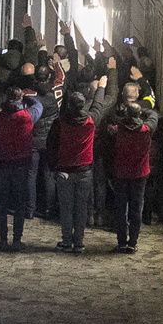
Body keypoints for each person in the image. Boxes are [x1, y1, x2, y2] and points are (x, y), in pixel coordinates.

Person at [46, 80, 104, 254]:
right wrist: (101, 87)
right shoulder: (90, 121)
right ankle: (78, 242)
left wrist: (53, 168)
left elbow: (51, 146)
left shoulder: (60, 123)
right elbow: (99, 105)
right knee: (81, 208)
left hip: (64, 170)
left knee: (66, 208)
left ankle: (66, 241)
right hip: (84, 170)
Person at [0, 86, 42, 252]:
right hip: (21, 166)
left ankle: (3, 239)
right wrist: (26, 97)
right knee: (20, 205)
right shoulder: (28, 116)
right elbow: (39, 104)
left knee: (1, 205)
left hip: (1, 165)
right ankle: (17, 239)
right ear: (20, 98)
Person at [105, 99, 155, 254]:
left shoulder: (117, 130)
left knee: (120, 209)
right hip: (140, 174)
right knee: (136, 208)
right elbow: (154, 115)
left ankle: (121, 242)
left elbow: (110, 124)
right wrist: (141, 111)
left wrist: (123, 113)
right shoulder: (147, 129)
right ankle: (132, 242)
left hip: (121, 173)